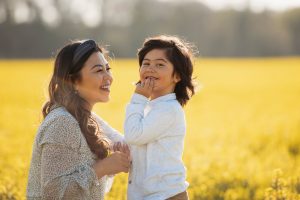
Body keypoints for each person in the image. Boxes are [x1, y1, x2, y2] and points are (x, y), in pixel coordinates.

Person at [27, 39, 131, 200]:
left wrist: (113, 165)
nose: (108, 77)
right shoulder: (62, 123)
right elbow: (53, 194)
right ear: (73, 81)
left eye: (107, 69)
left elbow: (128, 144)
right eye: (98, 71)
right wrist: (103, 167)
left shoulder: (86, 118)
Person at [124, 35, 196, 200]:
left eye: (160, 64)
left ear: (177, 76)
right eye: (146, 63)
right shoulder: (152, 107)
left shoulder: (168, 109)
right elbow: (136, 141)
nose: (150, 68)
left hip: (165, 196)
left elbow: (134, 135)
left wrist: (138, 99)